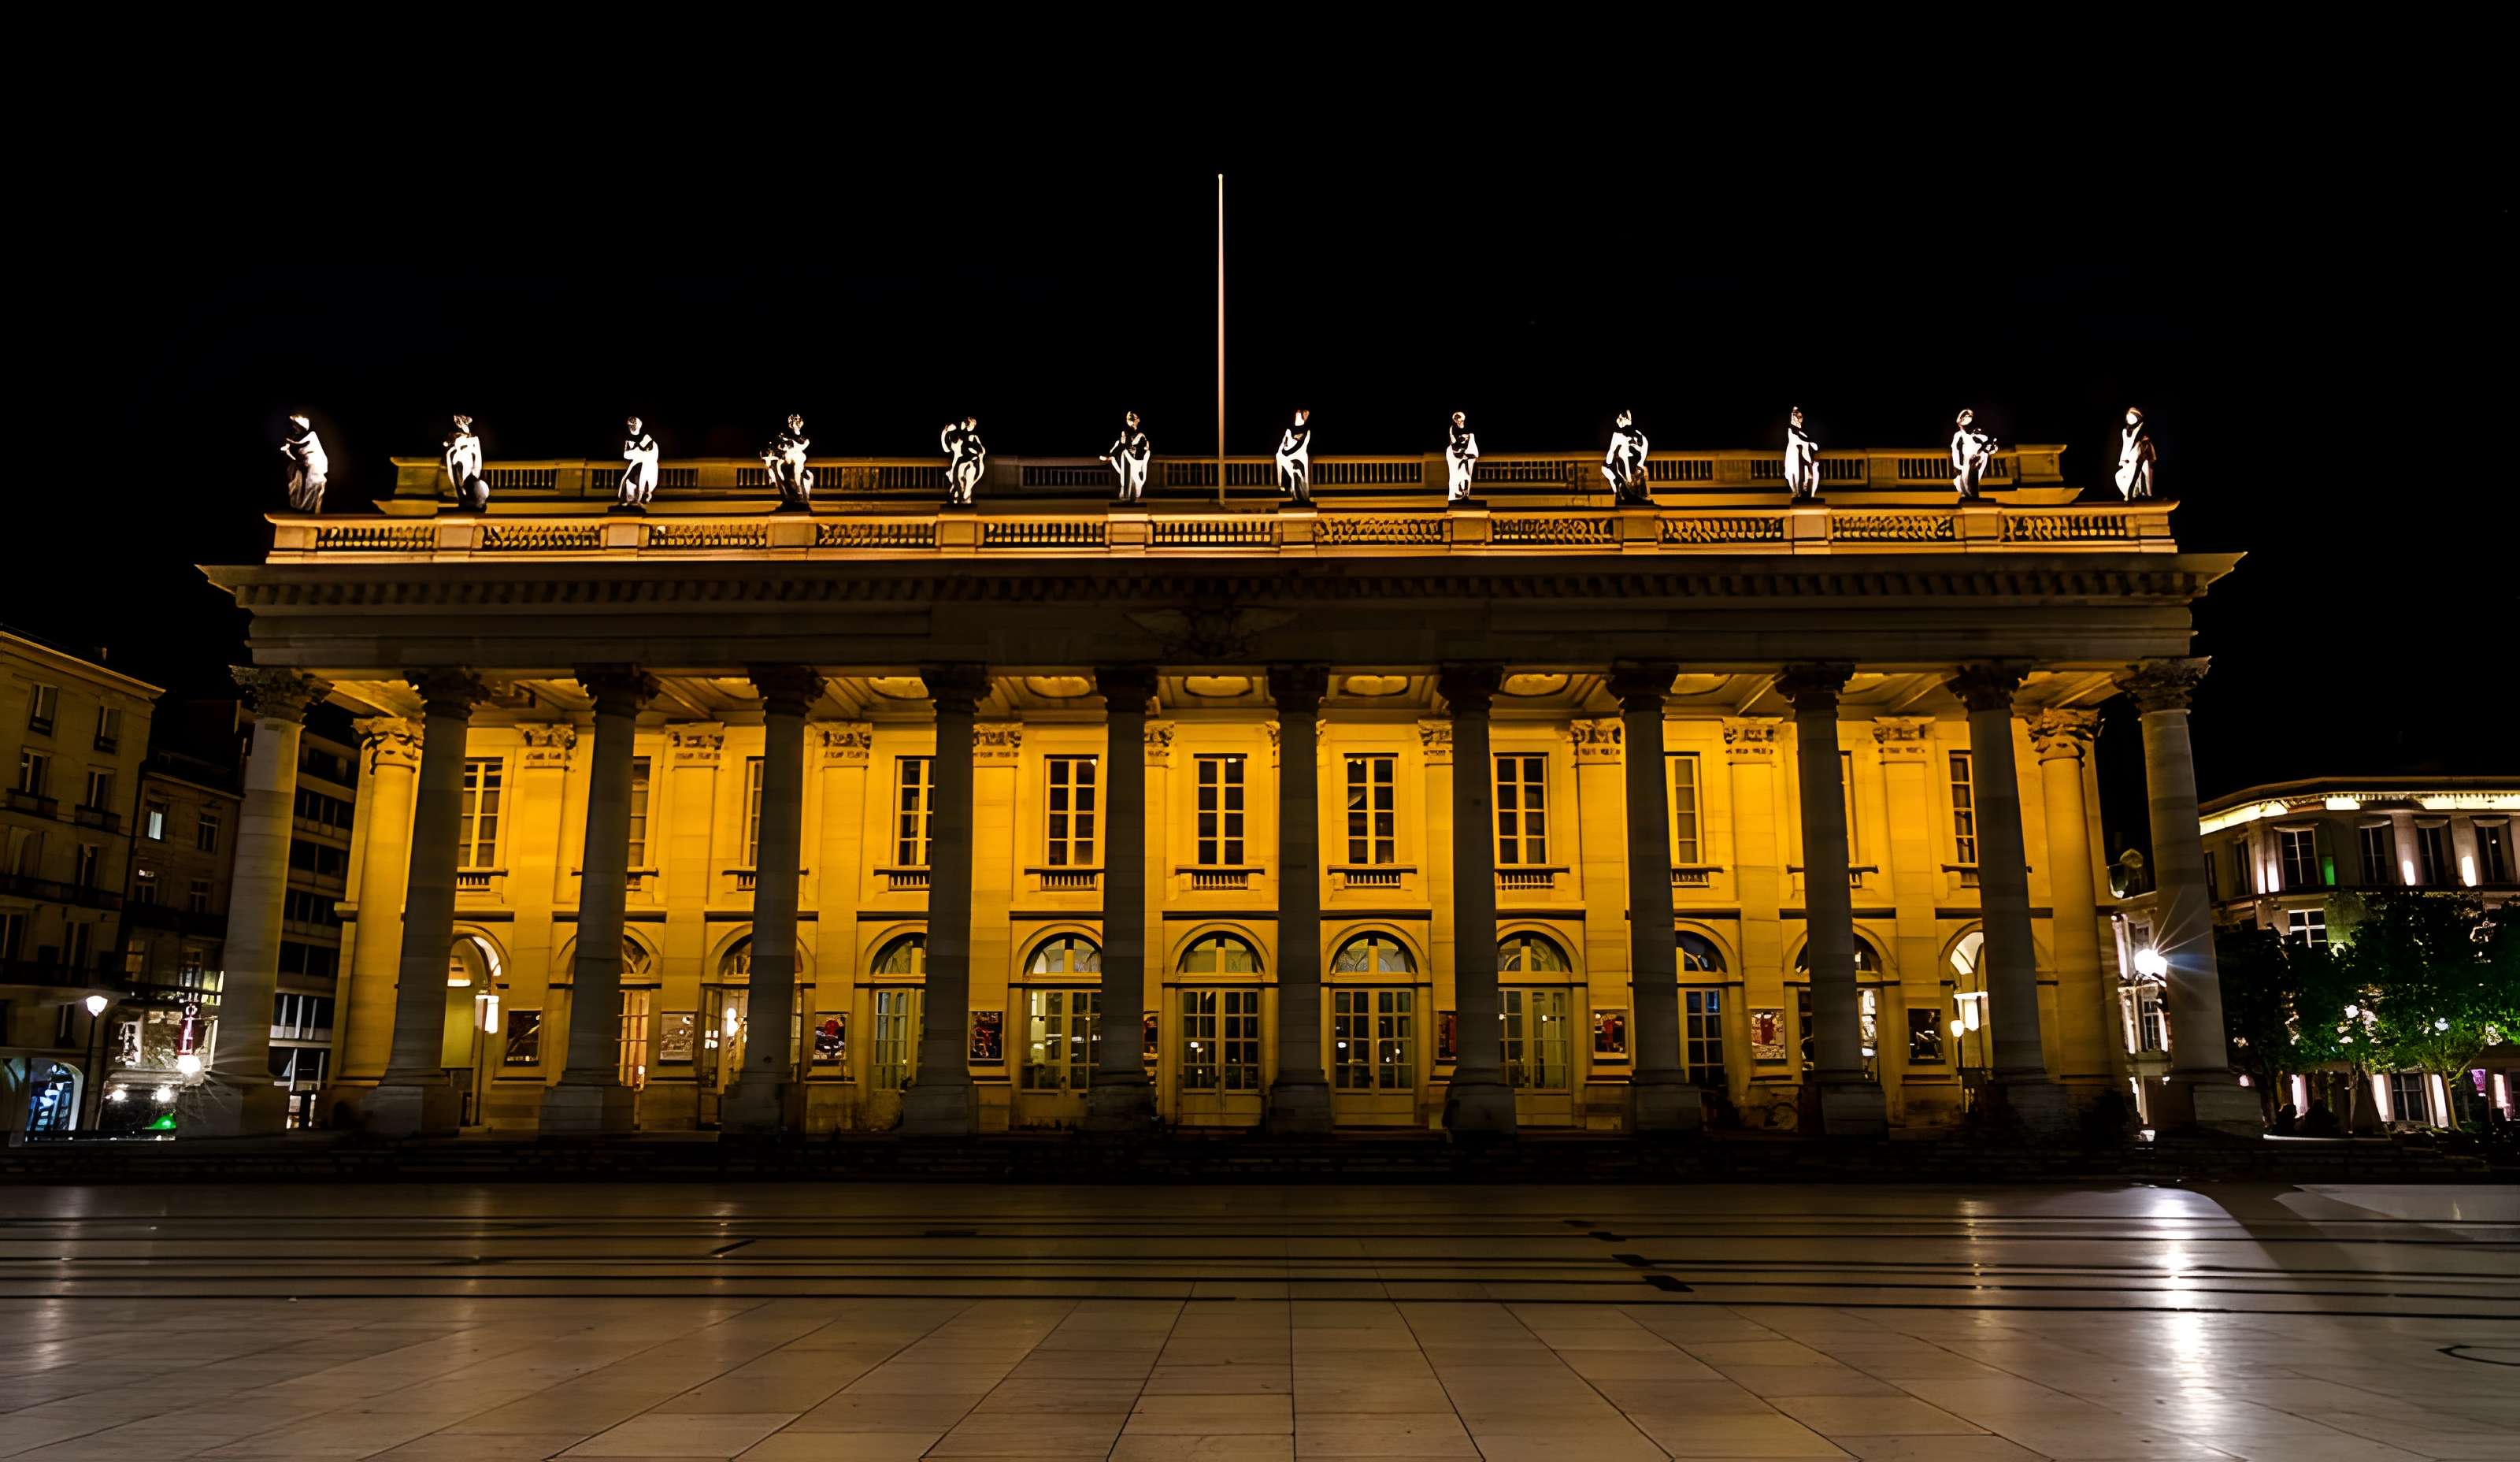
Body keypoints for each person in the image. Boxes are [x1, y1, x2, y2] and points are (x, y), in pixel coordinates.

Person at [762, 414, 813, 508]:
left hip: (797, 459)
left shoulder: (802, 439)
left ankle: (798, 496)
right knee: (780, 470)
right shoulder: (785, 437)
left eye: (796, 421)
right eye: (792, 422)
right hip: (788, 459)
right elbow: (780, 446)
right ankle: (790, 497)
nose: (794, 424)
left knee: (795, 473)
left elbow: (802, 445)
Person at [280, 414, 328, 513]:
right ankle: (301, 508)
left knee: (313, 488)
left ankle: (311, 509)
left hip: (315, 467)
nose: (294, 427)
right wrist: (287, 452)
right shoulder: (296, 437)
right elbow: (295, 459)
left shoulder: (312, 435)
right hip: (306, 467)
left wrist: (288, 441)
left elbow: (300, 443)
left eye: (295, 425)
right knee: (300, 485)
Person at [1603, 410, 1648, 503]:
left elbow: (1643, 446)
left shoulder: (1640, 438)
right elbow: (1611, 452)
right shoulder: (1618, 437)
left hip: (1631, 466)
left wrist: (1640, 463)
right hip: (1625, 467)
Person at [443, 414, 487, 511]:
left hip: (463, 457)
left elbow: (452, 474)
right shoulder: (475, 475)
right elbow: (478, 459)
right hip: (464, 456)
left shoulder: (462, 488)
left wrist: (449, 454)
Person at [1950, 409, 1996, 499]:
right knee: (1967, 483)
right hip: (1967, 461)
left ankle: (1973, 494)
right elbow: (1955, 449)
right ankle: (1972, 495)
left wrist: (1990, 449)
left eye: (1969, 418)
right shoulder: (1959, 435)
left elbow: (1990, 447)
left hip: (1977, 459)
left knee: (1973, 477)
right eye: (1965, 418)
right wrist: (1957, 465)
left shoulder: (1981, 437)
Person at [1105, 411, 1150, 503]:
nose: (1138, 421)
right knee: (1128, 481)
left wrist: (1137, 448)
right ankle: (1126, 494)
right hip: (1129, 462)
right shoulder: (1126, 434)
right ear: (1132, 421)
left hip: (1137, 462)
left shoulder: (1140, 435)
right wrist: (1112, 455)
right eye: (1136, 419)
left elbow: (1145, 447)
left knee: (1138, 484)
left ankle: (1132, 494)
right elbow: (1120, 445)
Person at [2114, 406, 2158, 499]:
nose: (2130, 419)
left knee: (2141, 471)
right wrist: (2123, 460)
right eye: (2129, 417)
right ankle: (2132, 493)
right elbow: (2126, 446)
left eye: (2133, 417)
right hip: (2129, 464)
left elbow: (2148, 458)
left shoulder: (2143, 438)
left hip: (2138, 464)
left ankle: (2142, 494)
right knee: (2118, 476)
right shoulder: (2125, 432)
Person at [943, 415, 986, 505]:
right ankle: (959, 497)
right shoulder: (957, 435)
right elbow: (946, 448)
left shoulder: (972, 438)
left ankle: (962, 497)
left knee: (964, 481)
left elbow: (982, 451)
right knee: (958, 481)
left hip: (967, 462)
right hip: (960, 462)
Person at [618, 416, 659, 510]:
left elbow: (650, 451)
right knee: (629, 480)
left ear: (638, 425)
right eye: (630, 425)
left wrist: (638, 451)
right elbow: (626, 455)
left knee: (641, 480)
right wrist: (636, 451)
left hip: (644, 465)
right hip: (635, 465)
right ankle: (628, 499)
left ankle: (641, 497)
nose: (632, 427)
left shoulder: (646, 438)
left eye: (634, 425)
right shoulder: (628, 440)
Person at [1275, 409, 1313, 503]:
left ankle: (1299, 495)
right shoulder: (1289, 430)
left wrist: (1287, 452)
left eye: (1301, 413)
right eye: (1298, 413)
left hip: (1299, 457)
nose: (1299, 415)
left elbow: (1300, 445)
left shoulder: (1306, 431)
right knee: (1279, 456)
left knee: (1296, 468)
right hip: (1288, 456)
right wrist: (1282, 451)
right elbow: (1284, 442)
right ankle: (1285, 486)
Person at [1784, 406, 1820, 500]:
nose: (1799, 418)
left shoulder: (1804, 433)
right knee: (1794, 474)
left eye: (1800, 416)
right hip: (1794, 456)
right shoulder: (1793, 430)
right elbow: (1793, 427)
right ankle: (1797, 491)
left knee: (1808, 471)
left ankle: (1807, 492)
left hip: (1804, 456)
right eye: (1797, 416)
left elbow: (1813, 445)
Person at [1446, 410, 1480, 502]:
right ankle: (1459, 493)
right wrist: (1461, 441)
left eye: (1459, 419)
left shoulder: (1470, 432)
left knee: (1466, 476)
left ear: (1463, 419)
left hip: (1466, 457)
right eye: (1456, 419)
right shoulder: (1453, 429)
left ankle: (1465, 493)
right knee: (1458, 476)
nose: (1458, 421)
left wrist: (1468, 453)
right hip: (1457, 456)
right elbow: (1454, 444)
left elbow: (1473, 446)